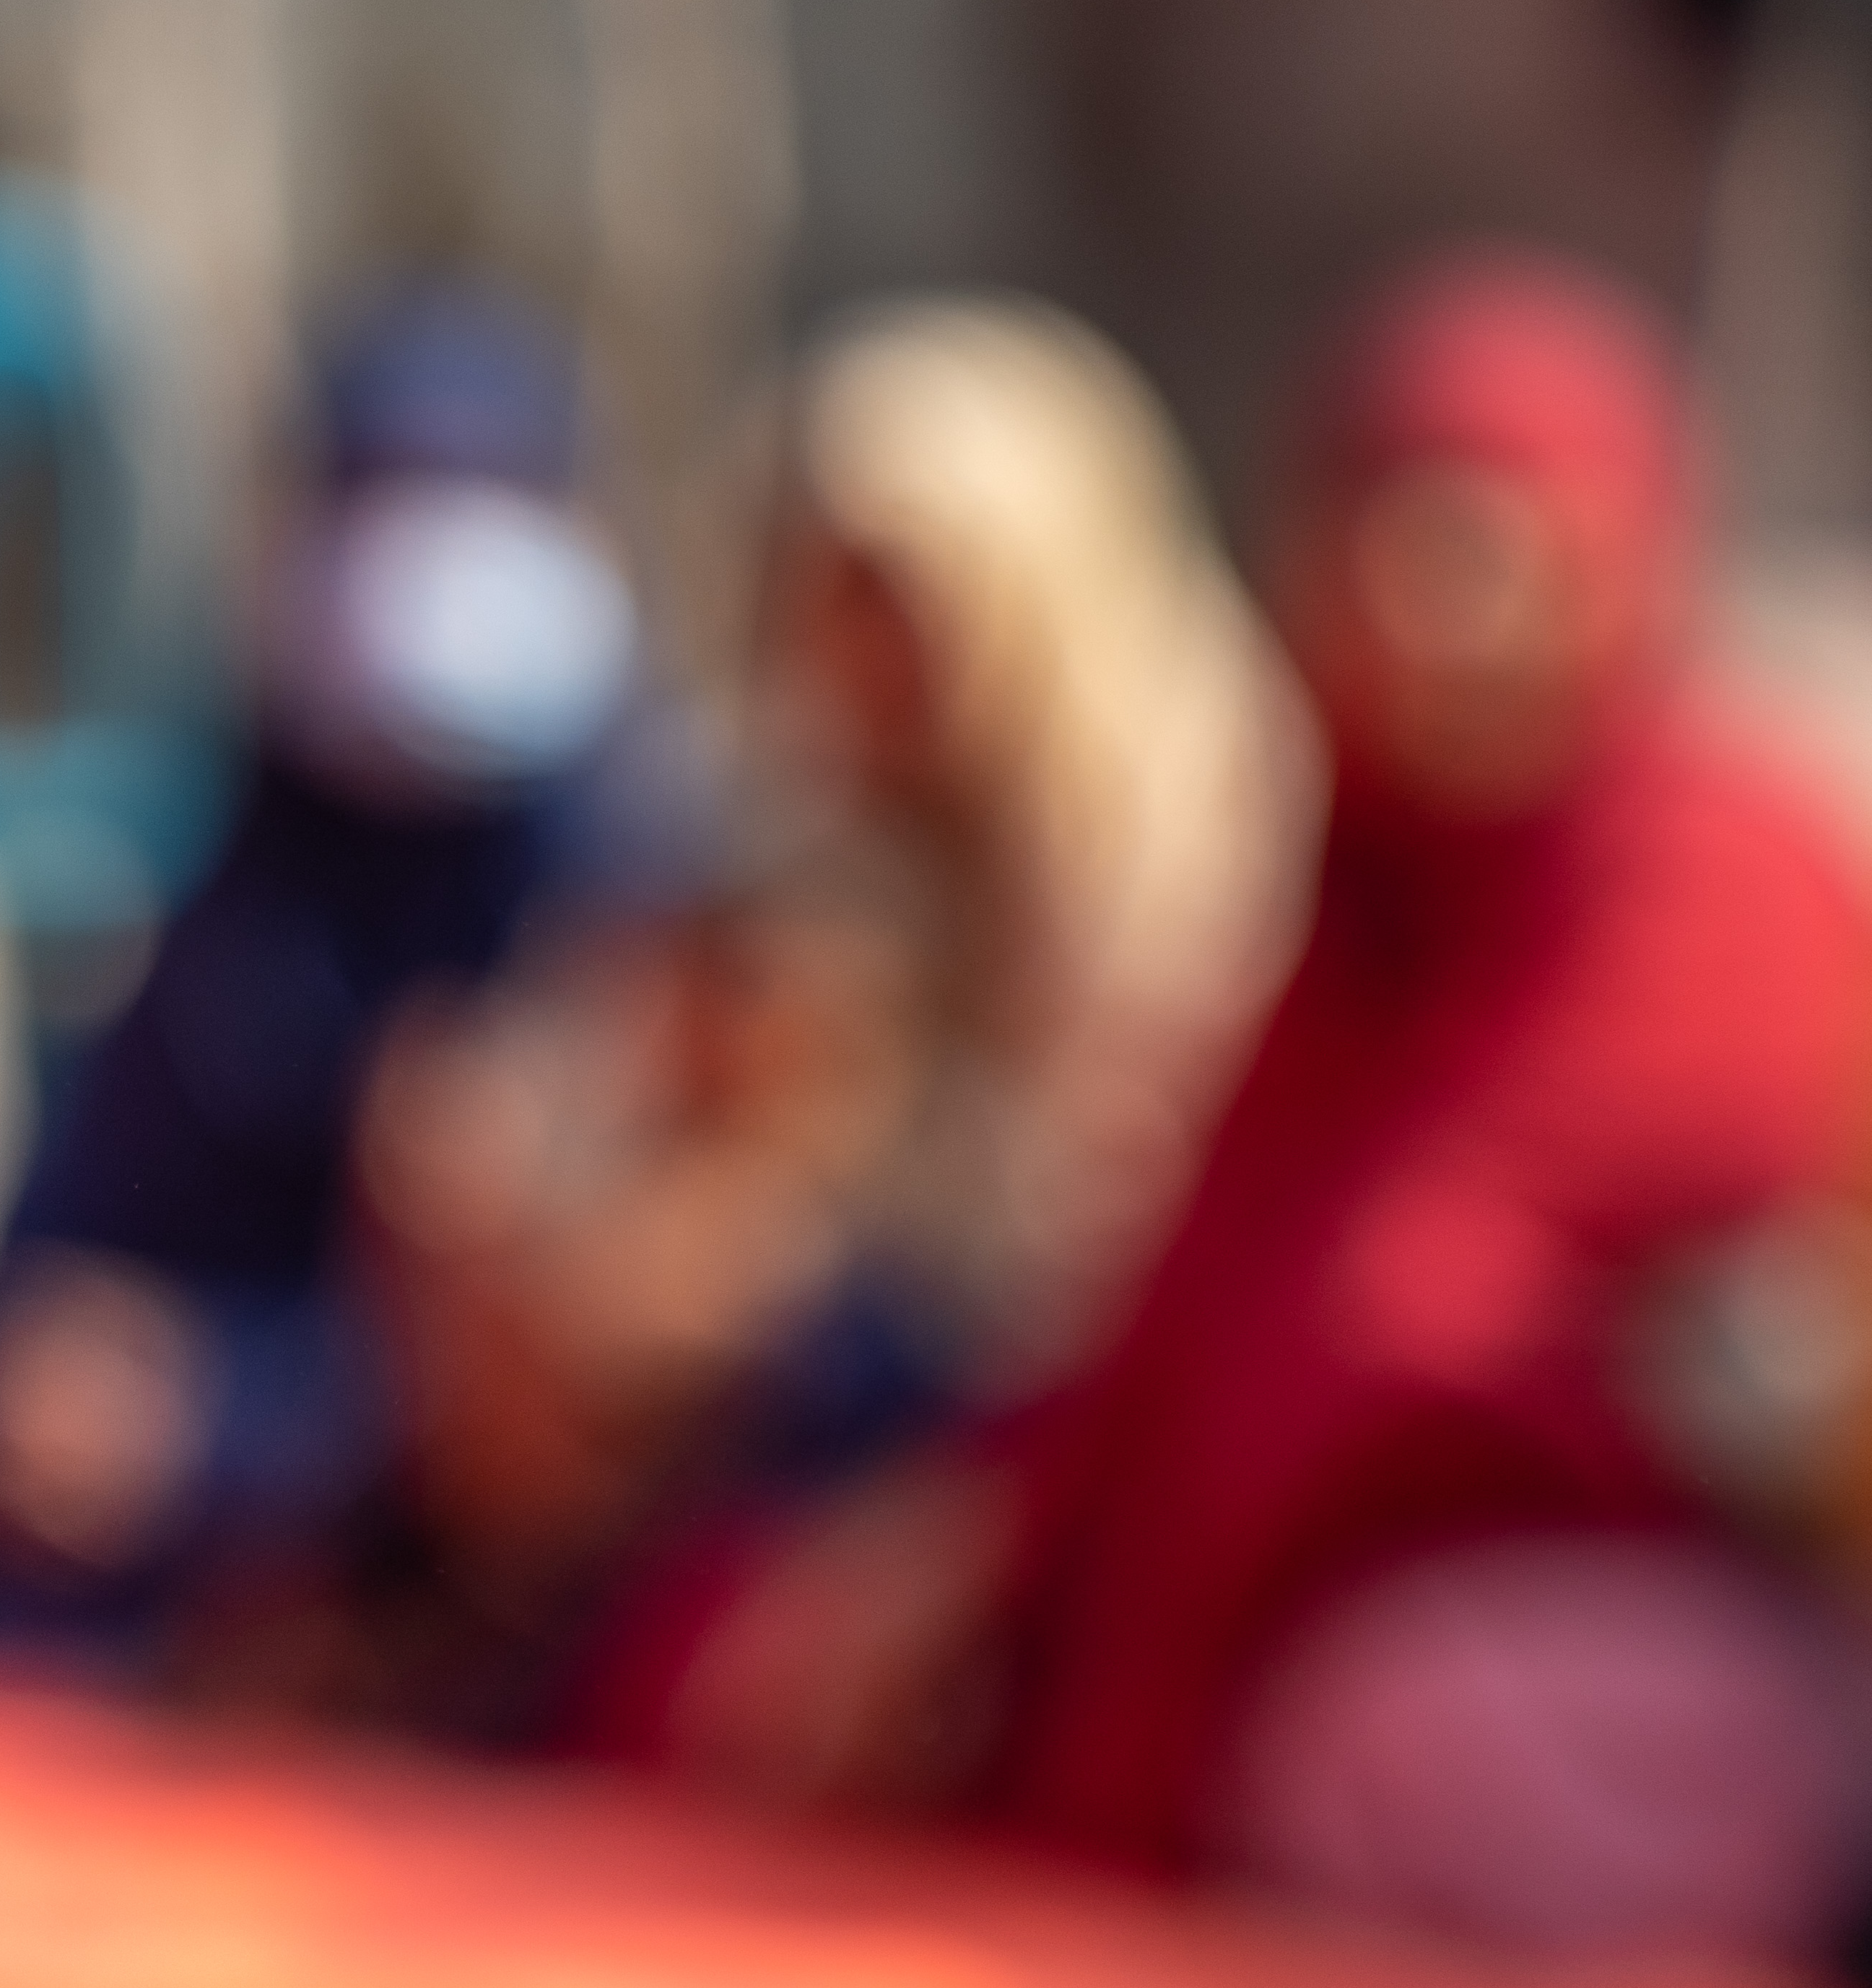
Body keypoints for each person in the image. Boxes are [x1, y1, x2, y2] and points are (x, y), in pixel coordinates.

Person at [663, 257, 1872, 1953]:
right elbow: (1205, 1296)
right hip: (1278, 1610)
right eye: (1380, 541)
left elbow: (1400, 1314)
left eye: (1485, 548)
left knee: (1406, 1746)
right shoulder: (1371, 903)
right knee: (727, 1631)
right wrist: (985, 1546)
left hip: (1608, 1649)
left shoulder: (1718, 877)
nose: (1421, 611)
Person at [342, 299, 1307, 1734]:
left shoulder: (1190, 853)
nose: (856, 648)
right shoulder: (811, 832)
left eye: (897, 596)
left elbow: (1110, 1246)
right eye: (827, 588)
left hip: (1085, 1460)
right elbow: (647, 1093)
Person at [0, 290, 658, 1658]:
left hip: (370, 1461)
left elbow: (573, 1365)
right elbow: (96, 1192)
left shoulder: (628, 889)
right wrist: (39, 1369)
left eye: (465, 497)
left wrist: (216, 1418)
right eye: (381, 493)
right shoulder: (261, 826)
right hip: (122, 1408)